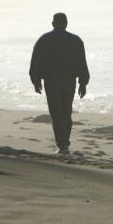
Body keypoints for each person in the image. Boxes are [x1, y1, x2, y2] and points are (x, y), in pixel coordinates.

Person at [29, 12, 90, 154]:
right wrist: (83, 83)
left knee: (56, 113)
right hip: (69, 81)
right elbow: (82, 64)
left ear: (53, 23)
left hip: (52, 81)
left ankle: (61, 144)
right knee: (66, 112)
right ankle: (65, 144)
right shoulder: (75, 40)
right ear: (66, 23)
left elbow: (35, 62)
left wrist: (36, 81)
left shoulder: (44, 40)